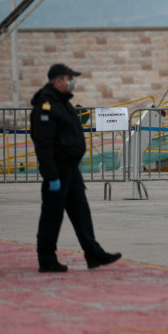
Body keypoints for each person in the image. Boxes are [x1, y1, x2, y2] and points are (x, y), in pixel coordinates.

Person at [30, 63, 122, 273]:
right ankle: (47, 259)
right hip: (58, 171)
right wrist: (51, 175)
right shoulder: (46, 105)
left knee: (81, 212)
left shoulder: (62, 102)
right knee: (52, 216)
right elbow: (43, 144)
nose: (72, 81)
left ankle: (93, 253)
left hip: (71, 169)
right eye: (68, 78)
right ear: (58, 81)